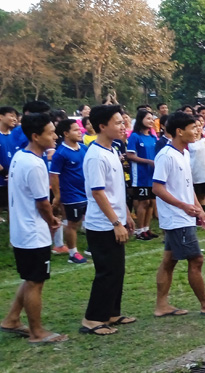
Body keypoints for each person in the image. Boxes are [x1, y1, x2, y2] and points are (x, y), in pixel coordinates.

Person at [152, 112, 205, 318]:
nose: (197, 131)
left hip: (184, 215)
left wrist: (198, 208)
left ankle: (161, 306)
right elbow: (157, 188)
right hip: (176, 218)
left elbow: (187, 186)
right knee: (196, 259)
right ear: (179, 131)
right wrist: (183, 206)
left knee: (169, 261)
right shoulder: (166, 156)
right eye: (193, 127)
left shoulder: (184, 154)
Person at [1, 113, 67, 344]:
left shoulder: (20, 156)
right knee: (35, 282)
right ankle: (37, 332)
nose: (55, 136)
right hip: (33, 232)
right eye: (51, 133)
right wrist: (52, 221)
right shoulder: (35, 164)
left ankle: (11, 320)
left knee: (30, 278)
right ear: (36, 136)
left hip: (21, 229)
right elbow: (42, 203)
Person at [82, 105, 137, 336]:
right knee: (107, 271)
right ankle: (92, 319)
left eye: (123, 122)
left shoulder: (113, 149)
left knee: (117, 270)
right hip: (102, 224)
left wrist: (126, 215)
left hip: (116, 218)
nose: (123, 126)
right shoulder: (95, 155)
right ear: (102, 126)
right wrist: (115, 223)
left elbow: (115, 189)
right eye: (118, 122)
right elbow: (98, 192)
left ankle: (112, 312)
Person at [49, 119, 89, 264]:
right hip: (72, 195)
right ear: (66, 133)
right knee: (72, 223)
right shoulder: (60, 153)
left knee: (91, 221)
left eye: (79, 129)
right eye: (75, 130)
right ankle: (73, 253)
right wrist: (58, 195)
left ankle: (91, 248)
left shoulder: (84, 148)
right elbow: (54, 175)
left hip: (87, 192)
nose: (79, 132)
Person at [127, 109, 159, 241]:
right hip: (140, 175)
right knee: (143, 202)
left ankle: (146, 228)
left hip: (152, 175)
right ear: (141, 120)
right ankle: (139, 230)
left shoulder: (153, 138)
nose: (151, 121)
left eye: (152, 119)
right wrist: (148, 162)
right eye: (148, 118)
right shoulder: (135, 136)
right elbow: (130, 155)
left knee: (151, 202)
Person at [188, 119, 205, 209]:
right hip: (194, 173)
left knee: (203, 195)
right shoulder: (189, 143)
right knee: (195, 196)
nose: (198, 128)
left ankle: (202, 213)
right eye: (195, 126)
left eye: (199, 126)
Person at [0, 106, 19, 223]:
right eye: (11, 116)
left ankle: (10, 229)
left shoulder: (15, 136)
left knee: (12, 207)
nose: (15, 119)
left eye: (16, 117)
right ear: (1, 117)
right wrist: (4, 173)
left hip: (13, 179)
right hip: (2, 177)